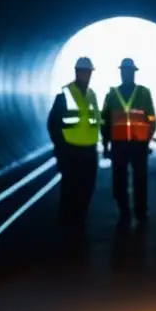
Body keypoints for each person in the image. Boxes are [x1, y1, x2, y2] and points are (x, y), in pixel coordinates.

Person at [47, 56, 101, 240]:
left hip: (90, 151)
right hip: (70, 152)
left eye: (88, 72)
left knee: (87, 188)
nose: (86, 75)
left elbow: (95, 121)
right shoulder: (64, 95)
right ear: (77, 72)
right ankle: (66, 225)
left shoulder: (92, 95)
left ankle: (79, 221)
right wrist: (61, 148)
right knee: (70, 189)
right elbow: (53, 124)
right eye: (83, 72)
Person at [101, 58, 156, 227]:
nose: (126, 74)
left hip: (139, 144)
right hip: (118, 144)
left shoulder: (143, 93)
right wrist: (105, 145)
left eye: (129, 71)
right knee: (119, 181)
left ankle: (140, 212)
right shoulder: (112, 94)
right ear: (121, 72)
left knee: (140, 180)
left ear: (134, 73)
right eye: (124, 71)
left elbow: (151, 118)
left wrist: (148, 139)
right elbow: (105, 120)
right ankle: (124, 211)